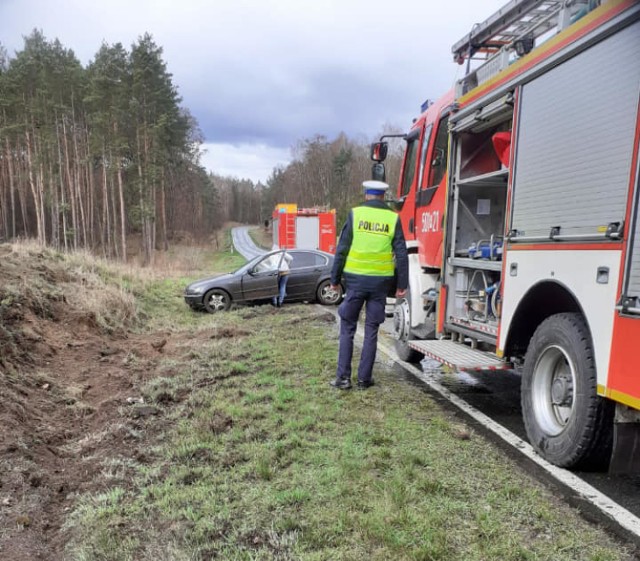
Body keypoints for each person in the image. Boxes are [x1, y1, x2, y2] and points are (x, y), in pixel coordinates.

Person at [329, 180, 408, 390]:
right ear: (383, 196)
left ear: (366, 194)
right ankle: (364, 379)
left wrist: (335, 280)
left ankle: (343, 379)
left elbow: (342, 249)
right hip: (380, 285)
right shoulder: (392, 218)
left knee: (347, 328)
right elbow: (401, 253)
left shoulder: (356, 214)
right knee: (372, 330)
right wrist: (402, 284)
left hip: (355, 282)